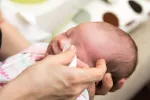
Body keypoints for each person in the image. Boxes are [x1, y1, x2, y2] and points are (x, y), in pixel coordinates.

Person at [0, 11, 115, 100]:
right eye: (67, 34)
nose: (61, 42)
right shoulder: (40, 50)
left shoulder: (71, 95)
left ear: (89, 77)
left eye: (75, 49)